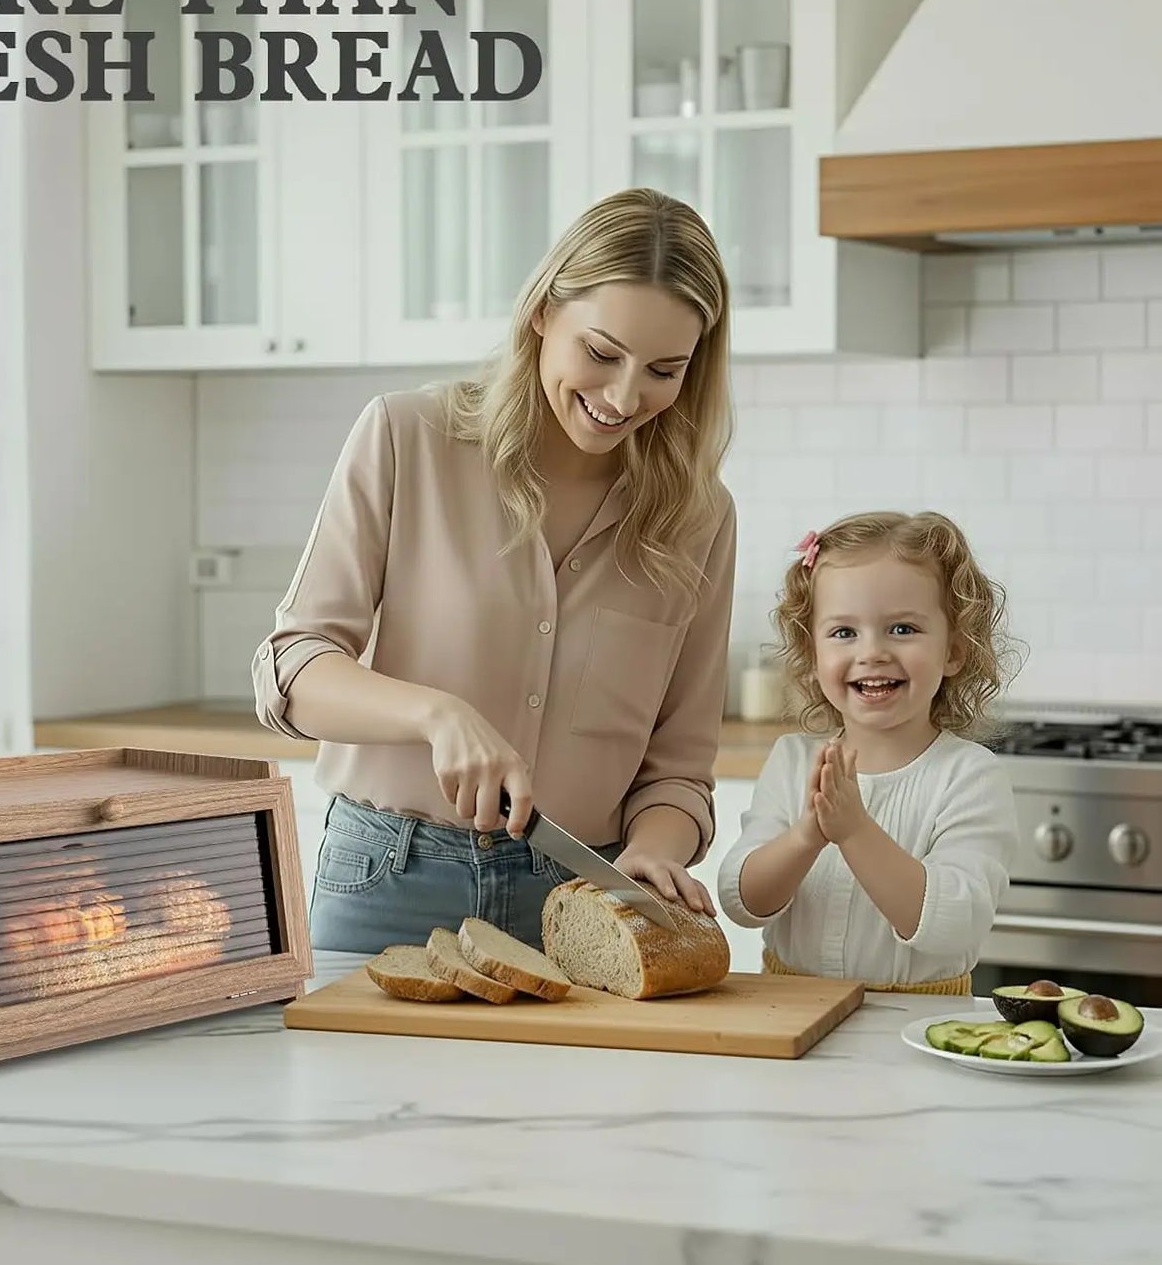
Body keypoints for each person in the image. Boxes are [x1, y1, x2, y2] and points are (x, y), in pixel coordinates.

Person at [251, 188, 738, 955]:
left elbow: (678, 767)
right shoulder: (406, 438)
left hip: (584, 902)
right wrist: (435, 714)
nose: (622, 396)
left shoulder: (698, 516)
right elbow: (292, 673)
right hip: (389, 878)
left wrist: (655, 849)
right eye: (602, 353)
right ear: (543, 310)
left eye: (663, 370)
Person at [717, 511, 1022, 994]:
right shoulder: (793, 760)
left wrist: (854, 831)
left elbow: (954, 926)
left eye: (902, 629)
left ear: (953, 651)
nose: (872, 652)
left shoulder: (969, 776)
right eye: (844, 633)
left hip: (917, 1025)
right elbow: (741, 901)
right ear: (812, 655)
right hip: (790, 1014)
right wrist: (806, 838)